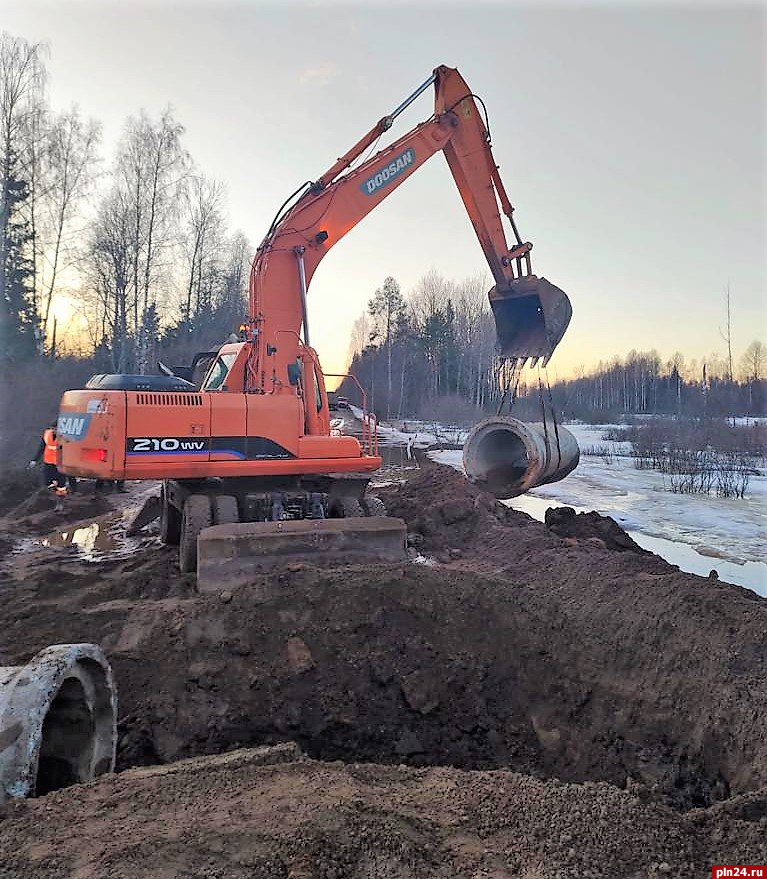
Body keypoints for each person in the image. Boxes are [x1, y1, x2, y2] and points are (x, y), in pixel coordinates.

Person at [29, 421, 63, 489]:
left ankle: (61, 493)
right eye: (52, 429)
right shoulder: (47, 434)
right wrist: (35, 460)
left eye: (55, 429)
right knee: (47, 480)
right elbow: (41, 447)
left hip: (59, 462)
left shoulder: (64, 436)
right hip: (48, 461)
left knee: (60, 481)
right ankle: (50, 492)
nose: (53, 430)